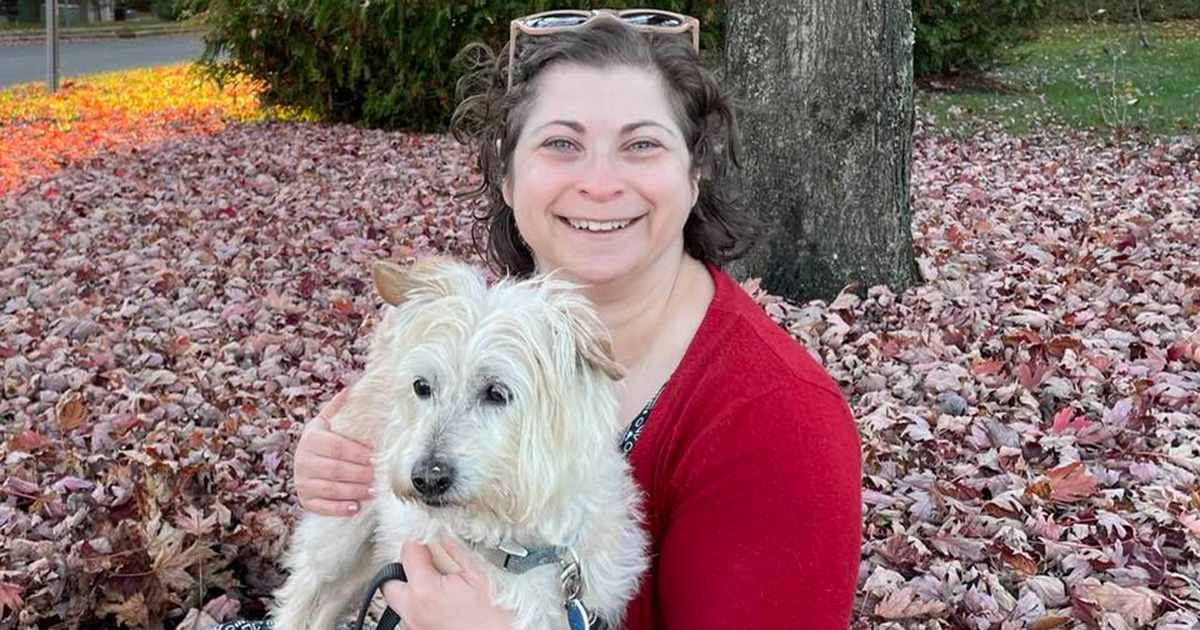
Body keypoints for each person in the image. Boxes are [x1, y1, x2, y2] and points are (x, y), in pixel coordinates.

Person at [263, 8, 861, 630]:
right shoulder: (472, 329)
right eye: (561, 144)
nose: (600, 184)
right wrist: (336, 466)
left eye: (642, 144)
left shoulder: (778, 421)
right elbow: (393, 448)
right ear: (506, 168)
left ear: (697, 165)